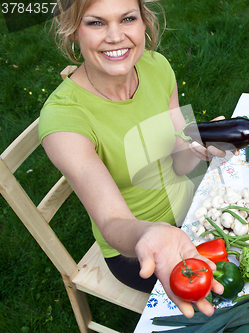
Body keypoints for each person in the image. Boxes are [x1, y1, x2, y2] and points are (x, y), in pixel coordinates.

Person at [39, 0, 229, 318]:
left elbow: (179, 165)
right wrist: (148, 235)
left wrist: (198, 148)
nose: (116, 36)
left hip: (195, 207)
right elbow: (112, 221)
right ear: (72, 31)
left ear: (145, 22)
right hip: (139, 247)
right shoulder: (64, 122)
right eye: (96, 23)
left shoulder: (156, 67)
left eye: (127, 18)